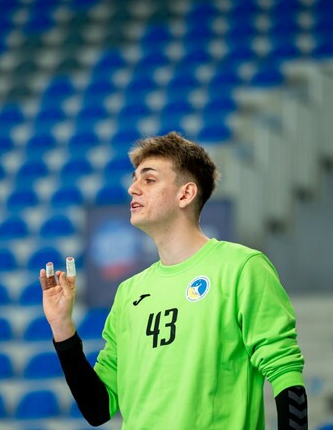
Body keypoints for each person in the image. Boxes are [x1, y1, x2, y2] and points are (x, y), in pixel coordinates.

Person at [40, 132, 307, 429]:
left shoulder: (242, 268)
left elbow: (286, 374)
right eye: (134, 179)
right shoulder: (129, 293)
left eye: (149, 180)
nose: (132, 189)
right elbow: (98, 408)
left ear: (185, 194)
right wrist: (62, 327)